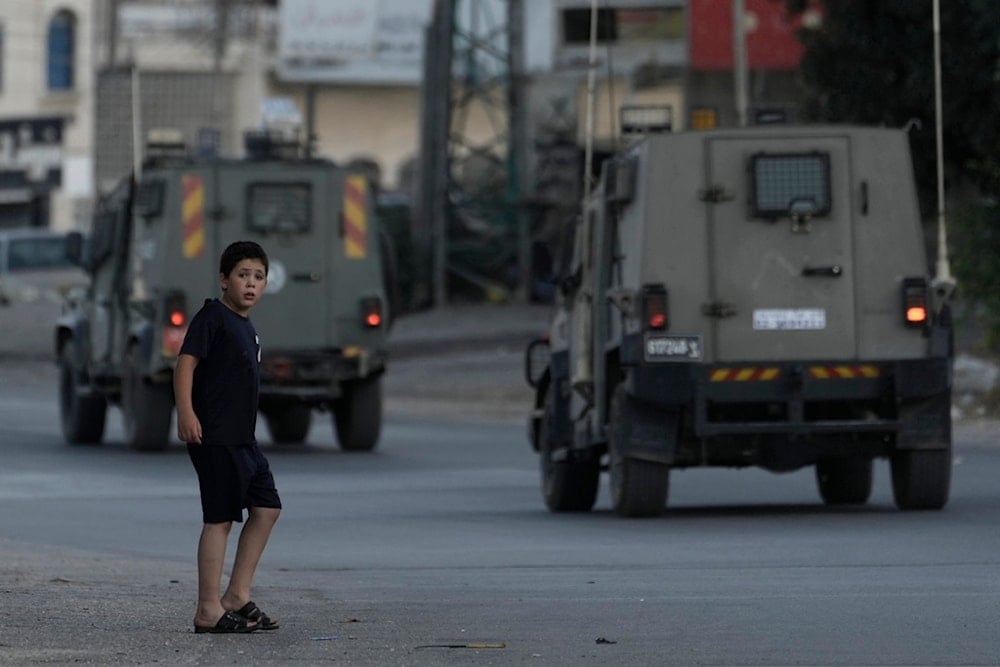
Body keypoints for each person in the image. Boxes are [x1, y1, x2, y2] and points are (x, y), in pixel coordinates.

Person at [174, 240, 282, 634]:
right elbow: (185, 365)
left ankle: (236, 595)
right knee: (219, 520)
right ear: (224, 280)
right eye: (242, 275)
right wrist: (186, 412)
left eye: (258, 277)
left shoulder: (246, 327)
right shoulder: (212, 317)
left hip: (244, 441)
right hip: (215, 437)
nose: (251, 284)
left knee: (267, 508)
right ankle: (208, 609)